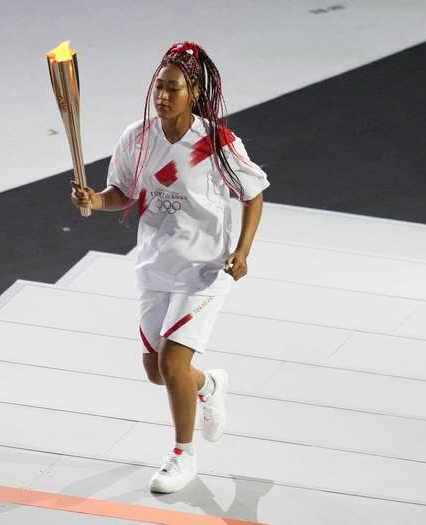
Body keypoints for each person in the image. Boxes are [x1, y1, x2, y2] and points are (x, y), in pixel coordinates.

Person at [71, 41, 269, 493]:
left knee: (173, 361)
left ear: (194, 92)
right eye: (158, 86)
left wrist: (243, 251)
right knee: (156, 369)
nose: (161, 95)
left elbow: (253, 194)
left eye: (172, 88)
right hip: (156, 263)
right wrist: (94, 201)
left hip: (204, 266)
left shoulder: (217, 144)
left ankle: (183, 455)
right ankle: (210, 387)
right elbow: (121, 192)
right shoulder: (137, 138)